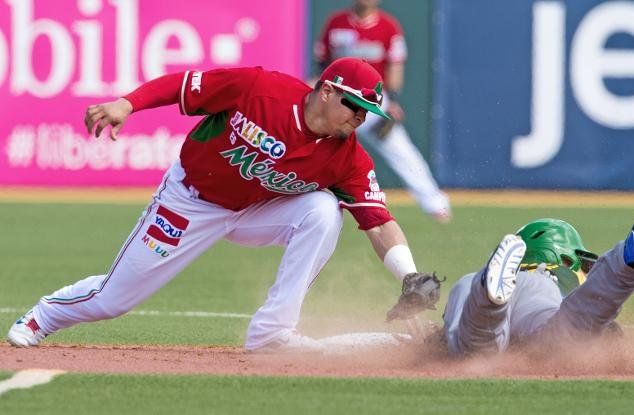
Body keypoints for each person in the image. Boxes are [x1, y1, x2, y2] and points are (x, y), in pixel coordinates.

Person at [7, 57, 431, 353]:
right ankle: (40, 318)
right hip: (190, 200)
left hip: (258, 212)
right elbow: (184, 85)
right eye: (353, 105)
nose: (359, 118)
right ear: (327, 91)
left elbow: (378, 223)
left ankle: (272, 333)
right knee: (114, 299)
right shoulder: (261, 89)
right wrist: (127, 103)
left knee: (322, 211)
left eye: (367, 112)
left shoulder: (349, 157)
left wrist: (411, 278)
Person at [441, 211, 634, 356]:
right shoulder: (561, 277)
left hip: (475, 284)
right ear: (562, 256)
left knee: (475, 348)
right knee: (561, 339)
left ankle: (488, 297)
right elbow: (595, 324)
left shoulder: (472, 281)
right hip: (540, 295)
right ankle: (627, 258)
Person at [314, 0, 452, 222]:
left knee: (401, 152)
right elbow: (322, 63)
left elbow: (395, 65)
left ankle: (435, 204)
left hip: (373, 103)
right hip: (339, 102)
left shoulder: (388, 26)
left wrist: (393, 100)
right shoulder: (336, 22)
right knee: (314, 146)